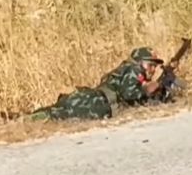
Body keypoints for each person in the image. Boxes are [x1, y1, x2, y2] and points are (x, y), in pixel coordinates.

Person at [28, 47, 166, 121]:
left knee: (54, 111)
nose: (153, 69)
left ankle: (21, 117)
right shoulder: (135, 69)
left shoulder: (126, 68)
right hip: (98, 104)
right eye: (150, 65)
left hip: (92, 97)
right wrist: (147, 90)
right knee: (56, 116)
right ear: (140, 62)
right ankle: (25, 120)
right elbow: (129, 94)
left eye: (155, 66)